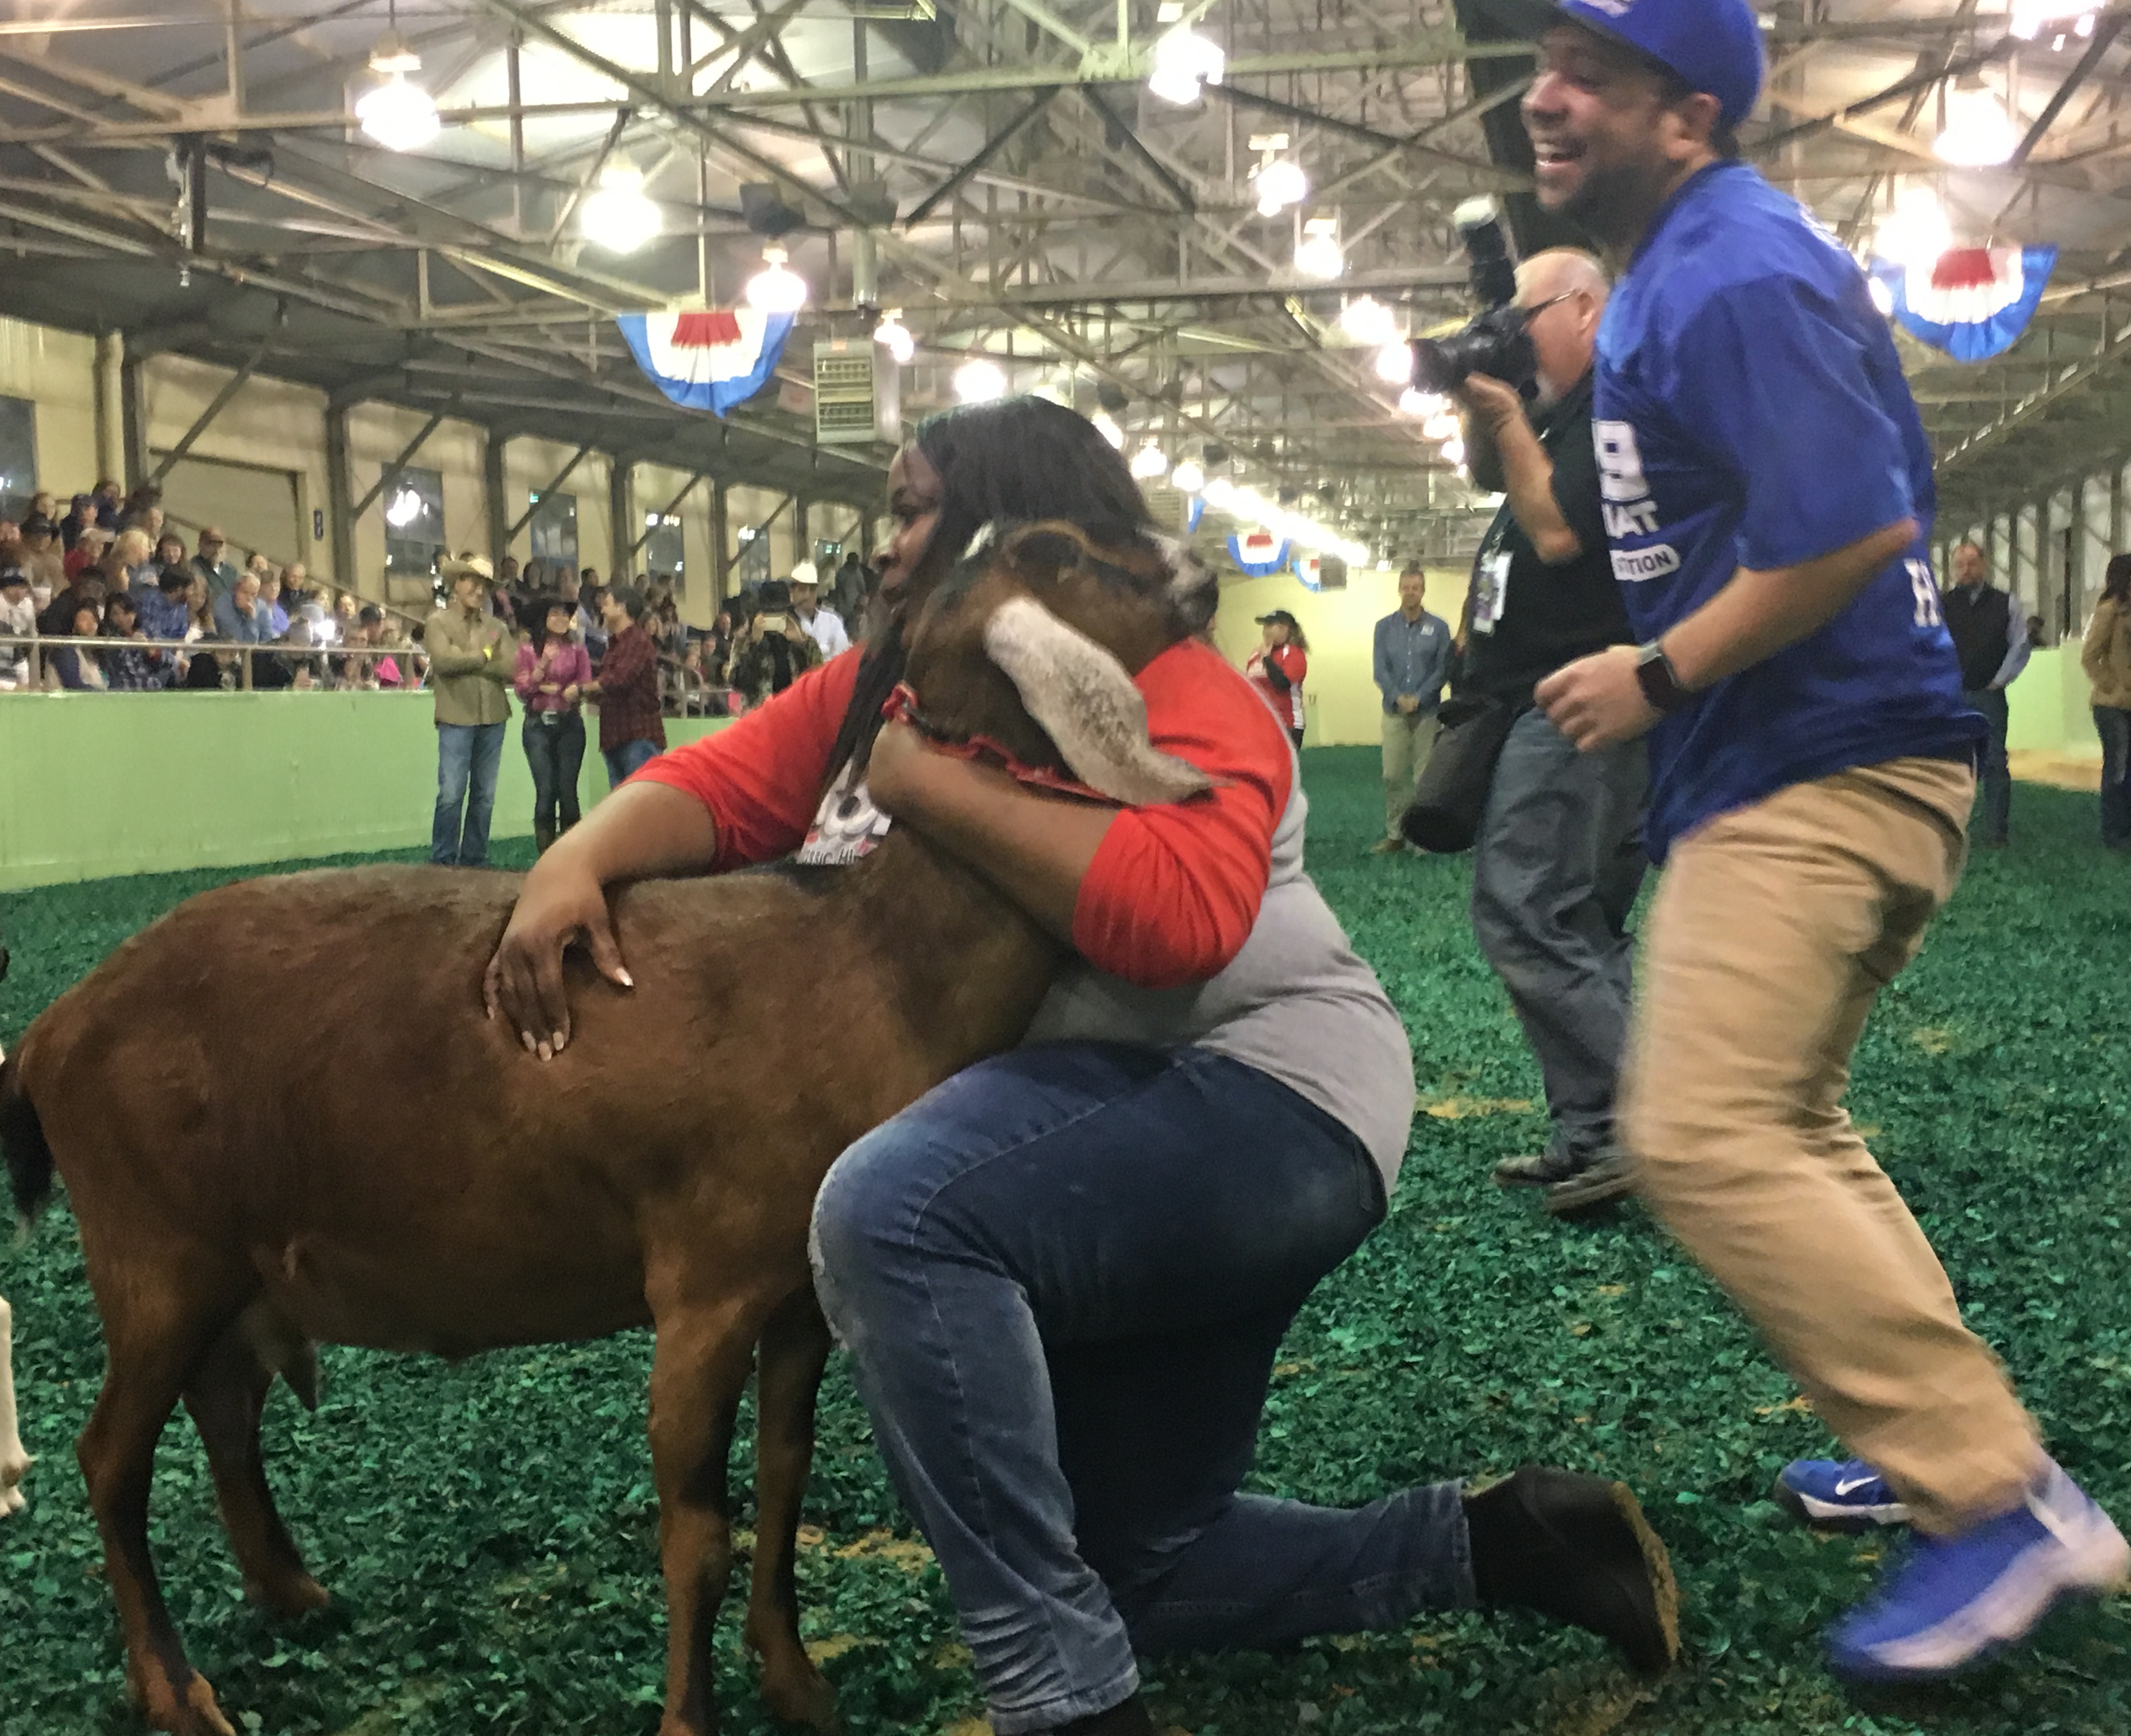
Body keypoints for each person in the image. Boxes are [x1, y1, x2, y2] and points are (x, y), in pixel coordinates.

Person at [482, 394, 1678, 1736]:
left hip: (1268, 1109)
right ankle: (1510, 1544)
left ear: (1021, 541)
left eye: (918, 512)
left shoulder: (1181, 691)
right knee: (1136, 1571)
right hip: (1091, 1142)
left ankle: (1061, 1706)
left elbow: (1177, 929)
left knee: (894, 1212)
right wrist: (575, 858)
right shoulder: (899, 675)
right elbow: (731, 782)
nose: (888, 549)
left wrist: (924, 786)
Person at [1516, 0, 2131, 1681]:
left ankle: (1996, 1497)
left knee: (1700, 1133)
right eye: (1549, 66)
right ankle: (1930, 1441)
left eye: (1593, 78)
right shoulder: (1692, 268)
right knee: (1785, 1121)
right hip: (1823, 762)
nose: (1545, 97)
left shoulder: (1735, 270)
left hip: (1823, 762)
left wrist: (1658, 670)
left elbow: (1853, 522)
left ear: (1690, 115)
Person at [1451, 246, 1647, 1211]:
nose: (1514, 332)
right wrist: (1482, 396)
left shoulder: (1613, 402)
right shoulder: (1559, 411)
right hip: (1547, 693)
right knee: (1580, 919)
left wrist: (1501, 411)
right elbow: (1495, 479)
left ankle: (1656, 1125)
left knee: (1523, 906)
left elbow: (1560, 530)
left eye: (1522, 315)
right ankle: (1596, 1132)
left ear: (1584, 307)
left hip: (1578, 695)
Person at [425, 553, 518, 868]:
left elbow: (512, 667)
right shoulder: (437, 622)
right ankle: (444, 859)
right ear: (457, 584)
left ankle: (473, 858)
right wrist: (483, 658)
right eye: (473, 582)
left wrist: (466, 658)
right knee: (451, 794)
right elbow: (442, 661)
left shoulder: (497, 627)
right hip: (456, 718)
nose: (479, 591)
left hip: (492, 718)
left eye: (484, 586)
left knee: (484, 795)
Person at [1938, 540, 2028, 848]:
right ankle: (1951, 829)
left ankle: (1996, 833)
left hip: (1989, 696)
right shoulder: (1941, 604)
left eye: (1972, 563)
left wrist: (1999, 681)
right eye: (1960, 565)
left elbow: (2020, 644)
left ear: (1984, 565)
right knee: (1951, 764)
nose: (1966, 570)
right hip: (1952, 696)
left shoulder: (2006, 603)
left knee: (1994, 762)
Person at [1371, 563, 1451, 852]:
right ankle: (1396, 835)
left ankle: (1422, 839)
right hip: (1393, 712)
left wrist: (1420, 696)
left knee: (1424, 777)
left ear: (1423, 591)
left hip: (1427, 712)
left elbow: (1443, 669)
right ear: (1399, 590)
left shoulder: (1440, 628)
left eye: (1415, 588)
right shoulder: (1384, 628)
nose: (1410, 593)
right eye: (1406, 588)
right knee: (1392, 775)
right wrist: (1398, 697)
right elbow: (1380, 670)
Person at [2080, 552, 2131, 849]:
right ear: (2126, 577)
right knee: (2117, 769)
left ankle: (2124, 832)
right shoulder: (2109, 611)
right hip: (2113, 706)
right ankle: (2114, 833)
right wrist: (2113, 685)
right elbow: (2089, 656)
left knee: (2128, 769)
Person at [516, 597, 592, 852]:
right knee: (546, 791)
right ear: (543, 620)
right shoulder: (528, 651)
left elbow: (585, 683)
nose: (561, 619)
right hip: (537, 726)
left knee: (568, 792)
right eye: (555, 614)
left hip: (570, 724)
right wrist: (543, 668)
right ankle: (546, 857)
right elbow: (522, 690)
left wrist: (575, 690)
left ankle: (573, 856)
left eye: (565, 614)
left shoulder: (578, 649)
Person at [585, 583, 665, 785]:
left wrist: (582, 689)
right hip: (618, 735)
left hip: (636, 736)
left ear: (622, 608)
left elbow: (620, 679)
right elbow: (612, 683)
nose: (602, 608)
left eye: (607, 603)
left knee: (640, 804)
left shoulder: (638, 641)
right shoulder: (615, 645)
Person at [1243, 609, 1308, 747]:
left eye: (1270, 626)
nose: (1265, 631)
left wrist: (1267, 658)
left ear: (1284, 628)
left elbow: (1282, 683)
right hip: (1262, 724)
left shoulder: (1293, 654)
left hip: (1288, 724)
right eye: (1264, 627)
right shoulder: (1255, 656)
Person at [786, 561, 851, 661]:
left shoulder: (832, 621)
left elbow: (843, 658)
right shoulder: (787, 622)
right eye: (802, 590)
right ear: (792, 591)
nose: (807, 596)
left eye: (812, 590)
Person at [47, 598, 106, 690]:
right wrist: (102, 694)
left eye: (93, 620)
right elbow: (73, 685)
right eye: (84, 620)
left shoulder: (96, 653)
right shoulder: (64, 651)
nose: (91, 625)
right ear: (73, 625)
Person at [0, 568, 36, 690]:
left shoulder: (27, 605)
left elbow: (32, 637)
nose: (18, 591)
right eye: (13, 586)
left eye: (22, 586)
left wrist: (29, 685)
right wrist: (14, 687)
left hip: (18, 650)